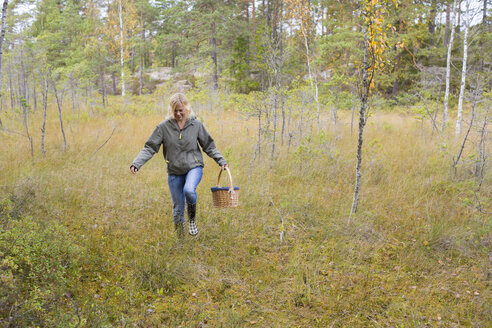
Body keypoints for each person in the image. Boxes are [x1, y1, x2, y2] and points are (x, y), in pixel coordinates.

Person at [130, 93, 228, 238]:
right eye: (175, 110)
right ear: (171, 110)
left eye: (181, 110)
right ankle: (181, 241)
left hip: (194, 167)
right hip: (174, 171)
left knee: (189, 190)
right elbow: (150, 147)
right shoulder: (163, 127)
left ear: (187, 108)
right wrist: (137, 163)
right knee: (177, 209)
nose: (178, 113)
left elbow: (209, 146)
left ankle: (192, 219)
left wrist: (221, 161)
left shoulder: (196, 125)